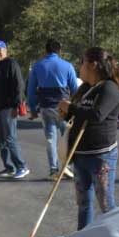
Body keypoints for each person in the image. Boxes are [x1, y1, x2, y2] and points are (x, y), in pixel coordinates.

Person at [58, 47, 119, 229]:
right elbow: (78, 117)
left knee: (106, 204)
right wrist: (65, 113)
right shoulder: (85, 89)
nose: (79, 66)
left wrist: (71, 108)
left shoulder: (109, 88)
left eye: (82, 62)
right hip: (80, 154)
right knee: (83, 203)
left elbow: (97, 115)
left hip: (101, 156)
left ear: (93, 65)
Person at [29, 39, 79, 180]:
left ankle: (53, 170)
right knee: (66, 138)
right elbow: (75, 89)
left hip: (46, 107)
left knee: (51, 139)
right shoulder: (67, 66)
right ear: (60, 50)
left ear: (46, 51)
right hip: (64, 108)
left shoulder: (37, 67)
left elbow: (31, 91)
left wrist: (32, 108)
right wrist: (76, 108)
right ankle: (67, 167)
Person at [0, 40, 29, 179]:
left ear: (6, 50)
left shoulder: (11, 63)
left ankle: (21, 167)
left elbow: (19, 84)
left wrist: (16, 105)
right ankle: (9, 167)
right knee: (1, 140)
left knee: (10, 138)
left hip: (9, 107)